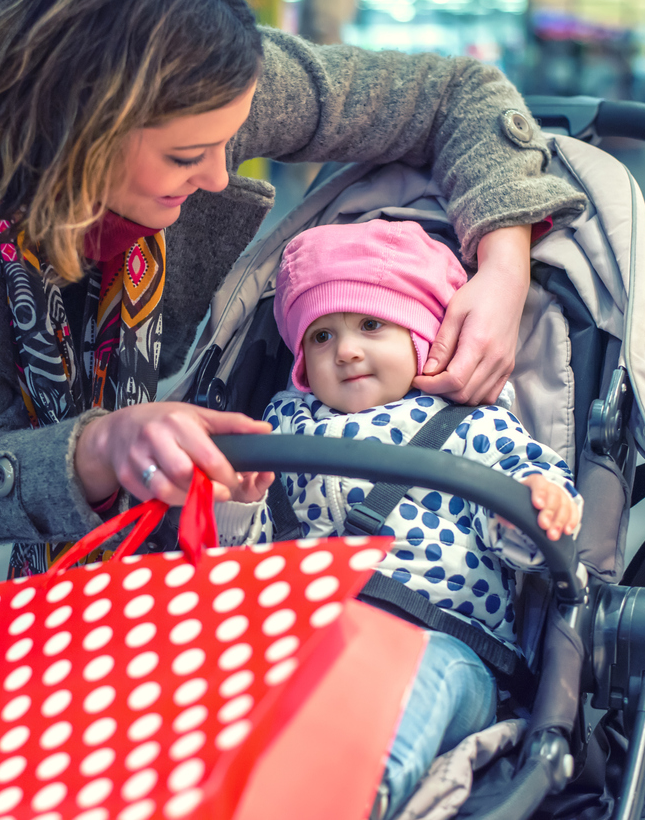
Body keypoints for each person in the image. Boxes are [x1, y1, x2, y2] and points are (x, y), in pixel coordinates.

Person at [0, 0, 586, 675]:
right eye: (188, 158)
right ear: (85, 131)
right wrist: (99, 443)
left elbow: (458, 93)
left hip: (13, 175)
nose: (214, 179)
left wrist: (501, 263)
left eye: (228, 147)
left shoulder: (205, 84)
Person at [213, 219, 582, 820]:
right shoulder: (280, 426)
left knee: (415, 684)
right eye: (322, 337)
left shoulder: (470, 423)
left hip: (441, 640)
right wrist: (242, 505)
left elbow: (530, 530)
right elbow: (242, 567)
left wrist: (534, 508)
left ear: (425, 336)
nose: (348, 350)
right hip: (304, 632)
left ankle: (357, 796)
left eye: (371, 325)